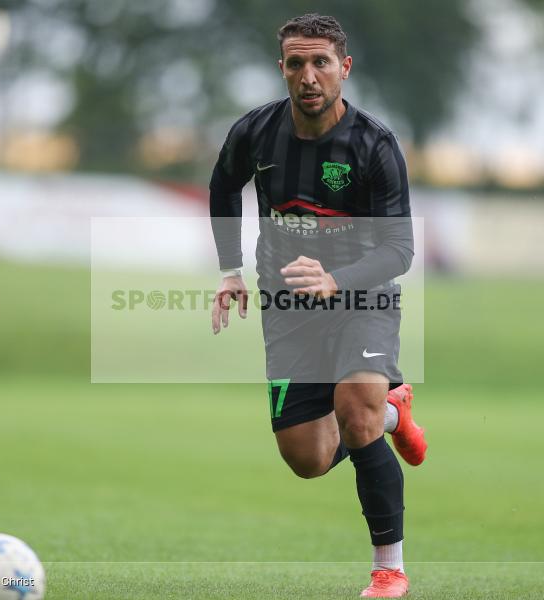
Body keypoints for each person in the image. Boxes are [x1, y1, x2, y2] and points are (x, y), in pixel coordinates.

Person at [209, 13, 427, 598]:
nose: (309, 76)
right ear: (281, 68)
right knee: (307, 458)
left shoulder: (374, 146)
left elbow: (399, 249)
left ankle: (389, 569)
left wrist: (336, 278)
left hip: (363, 297)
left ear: (344, 68)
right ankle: (393, 411)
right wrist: (231, 271)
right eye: (296, 63)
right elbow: (223, 187)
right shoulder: (255, 133)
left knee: (353, 413)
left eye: (321, 62)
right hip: (287, 306)